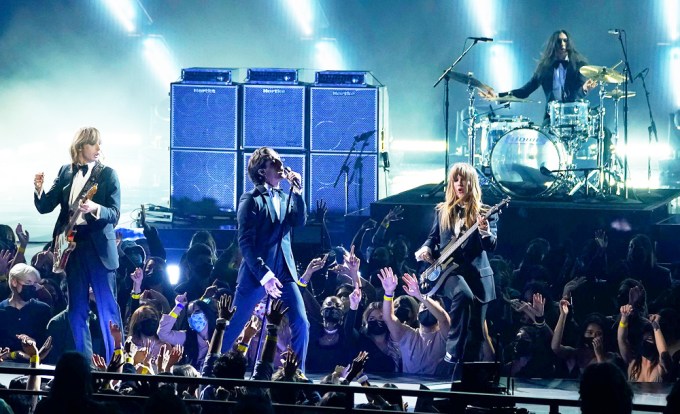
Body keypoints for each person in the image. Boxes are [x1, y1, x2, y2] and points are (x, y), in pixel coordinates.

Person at [34, 126, 124, 362]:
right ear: (81, 146)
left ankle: (116, 365)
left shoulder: (108, 174)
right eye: (94, 143)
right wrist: (39, 190)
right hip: (72, 248)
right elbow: (46, 206)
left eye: (100, 144)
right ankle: (85, 366)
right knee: (76, 310)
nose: (98, 148)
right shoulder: (65, 171)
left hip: (98, 248)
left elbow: (114, 213)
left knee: (107, 308)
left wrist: (96, 208)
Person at [219, 147, 309, 371]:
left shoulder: (285, 197)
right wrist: (265, 275)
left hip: (284, 272)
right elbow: (245, 242)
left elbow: (299, 222)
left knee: (301, 322)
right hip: (257, 273)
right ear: (261, 171)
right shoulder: (251, 199)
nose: (281, 165)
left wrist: (298, 192)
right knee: (234, 324)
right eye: (275, 162)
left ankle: (295, 375)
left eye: (280, 161)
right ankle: (209, 371)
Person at [414, 162, 497, 380]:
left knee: (477, 333)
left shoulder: (485, 212)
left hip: (478, 277)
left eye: (464, 179)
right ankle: (452, 353)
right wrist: (425, 249)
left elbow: (491, 246)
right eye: (455, 179)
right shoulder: (442, 210)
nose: (459, 183)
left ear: (472, 182)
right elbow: (433, 237)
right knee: (462, 294)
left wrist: (485, 232)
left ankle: (468, 380)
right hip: (449, 273)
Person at [480, 30, 597, 118]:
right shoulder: (545, 68)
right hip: (552, 117)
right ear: (553, 44)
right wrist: (498, 95)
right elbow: (525, 91)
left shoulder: (579, 65)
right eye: (559, 41)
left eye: (565, 40)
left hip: (574, 116)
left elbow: (576, 96)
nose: (563, 44)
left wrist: (584, 89)